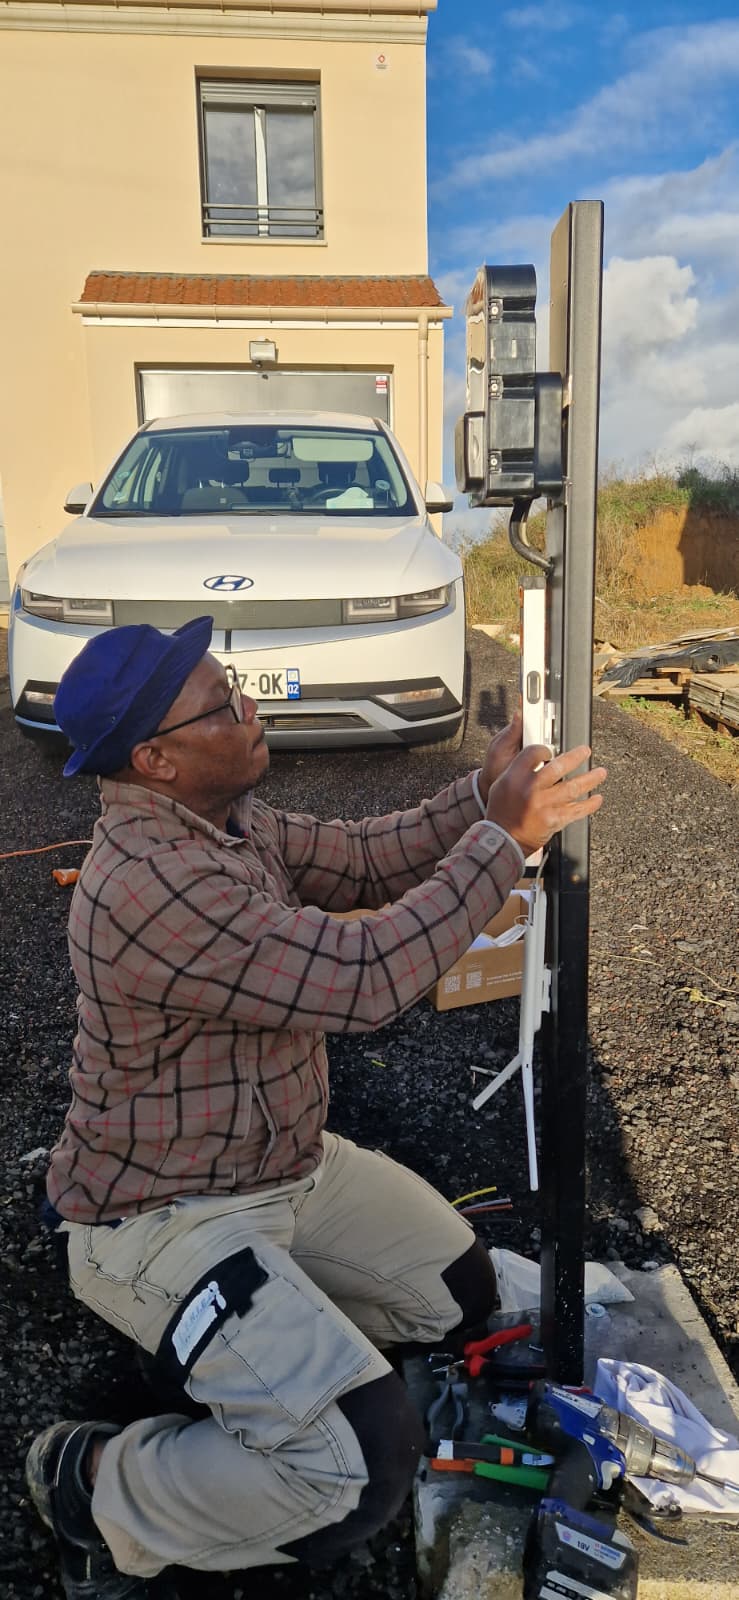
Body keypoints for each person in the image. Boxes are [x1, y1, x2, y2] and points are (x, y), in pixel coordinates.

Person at [26, 616, 606, 1600]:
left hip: (282, 1172)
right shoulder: (147, 884)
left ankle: (273, 1362)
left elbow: (368, 854)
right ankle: (94, 1483)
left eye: (237, 684)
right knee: (359, 1471)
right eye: (224, 703)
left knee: (456, 1293)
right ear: (157, 758)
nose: (253, 705)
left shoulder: (228, 822)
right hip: (160, 1218)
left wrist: (478, 793)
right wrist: (504, 839)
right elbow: (362, 975)